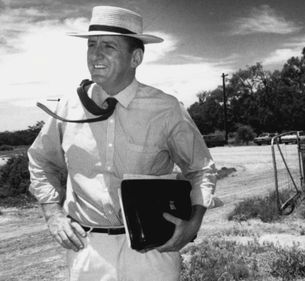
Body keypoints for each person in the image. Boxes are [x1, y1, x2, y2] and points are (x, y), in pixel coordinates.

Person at [28, 6, 216, 281]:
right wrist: (52, 214)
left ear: (135, 57)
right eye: (92, 45)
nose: (96, 54)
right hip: (88, 250)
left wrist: (193, 222)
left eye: (109, 46)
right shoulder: (69, 108)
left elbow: (201, 169)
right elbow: (41, 161)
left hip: (153, 251)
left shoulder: (166, 109)